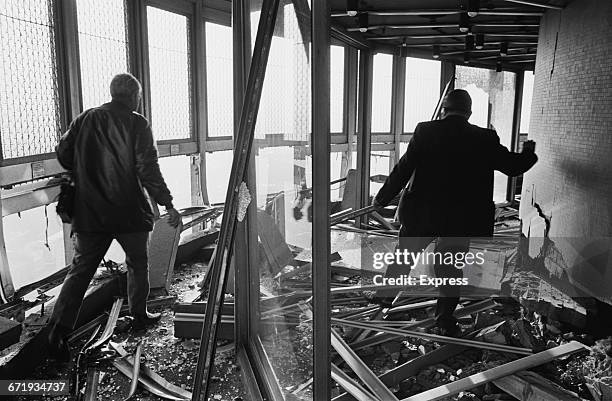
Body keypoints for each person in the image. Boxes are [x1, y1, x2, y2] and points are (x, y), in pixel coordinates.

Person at [373, 89, 538, 336]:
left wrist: (382, 198)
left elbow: (403, 169)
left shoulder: (425, 131)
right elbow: (513, 167)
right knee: (449, 269)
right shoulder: (485, 138)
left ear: (444, 110)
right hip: (460, 219)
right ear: (469, 113)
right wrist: (528, 152)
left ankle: (385, 297)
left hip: (423, 213)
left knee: (405, 255)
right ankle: (444, 319)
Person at [47, 73, 181, 360]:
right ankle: (139, 315)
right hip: (128, 210)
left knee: (81, 270)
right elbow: (148, 169)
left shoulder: (85, 118)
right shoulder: (137, 123)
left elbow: (63, 154)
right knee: (137, 263)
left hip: (90, 212)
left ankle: (58, 332)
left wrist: (87, 167)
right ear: (135, 97)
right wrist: (167, 203)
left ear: (112, 93)